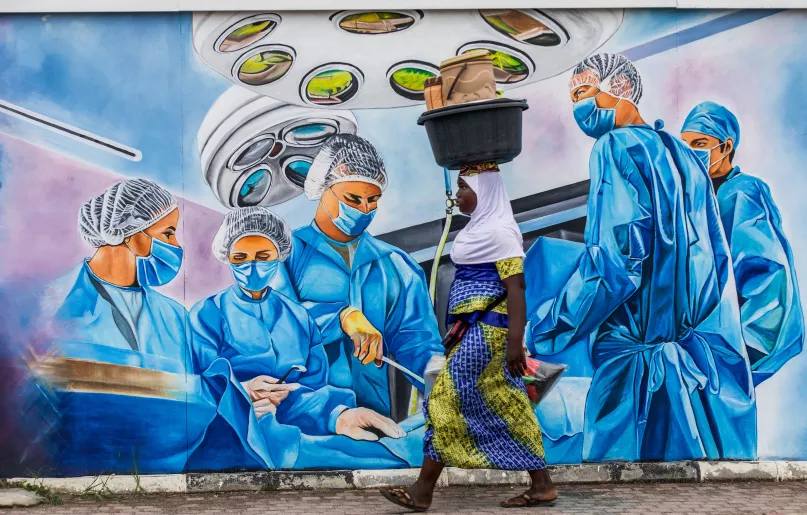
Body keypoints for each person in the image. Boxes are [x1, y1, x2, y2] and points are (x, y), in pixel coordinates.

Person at [526, 53, 756, 462]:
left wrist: (540, 332)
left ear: (622, 88)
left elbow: (613, 266)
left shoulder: (614, 148)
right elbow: (715, 267)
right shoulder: (689, 160)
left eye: (583, 93)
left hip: (631, 379)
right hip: (690, 372)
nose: (578, 107)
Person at [380, 165, 557, 511]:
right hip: (472, 331)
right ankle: (542, 484)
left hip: (487, 334)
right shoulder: (481, 227)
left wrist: (514, 343)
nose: (457, 195)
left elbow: (516, 288)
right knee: (507, 402)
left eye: (463, 187)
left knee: (445, 399)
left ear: (484, 190)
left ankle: (423, 490)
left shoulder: (501, 232)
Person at [188, 206, 406, 469]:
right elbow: (193, 390)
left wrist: (338, 415)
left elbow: (310, 392)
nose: (252, 265)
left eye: (263, 256)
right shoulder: (206, 314)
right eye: (241, 258)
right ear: (228, 257)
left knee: (381, 455)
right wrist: (241, 396)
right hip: (229, 439)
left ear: (279, 255)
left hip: (292, 435)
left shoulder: (298, 317)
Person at [32, 178, 207, 474]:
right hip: (78, 470)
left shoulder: (175, 316)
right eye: (168, 233)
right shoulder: (51, 305)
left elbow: (194, 398)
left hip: (167, 469)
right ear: (133, 232)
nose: (176, 246)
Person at [271, 134, 443, 419]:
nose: (364, 209)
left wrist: (443, 380)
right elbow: (275, 325)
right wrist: (340, 318)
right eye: (353, 199)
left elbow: (417, 342)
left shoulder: (396, 265)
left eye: (373, 200)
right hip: (306, 417)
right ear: (323, 187)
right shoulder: (284, 255)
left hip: (374, 415)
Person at [681, 102, 804, 386]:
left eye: (700, 143)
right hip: (700, 350)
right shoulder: (696, 200)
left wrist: (736, 355)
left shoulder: (741, 193)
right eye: (684, 145)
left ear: (725, 147)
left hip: (726, 354)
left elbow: (767, 280)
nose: (690, 153)